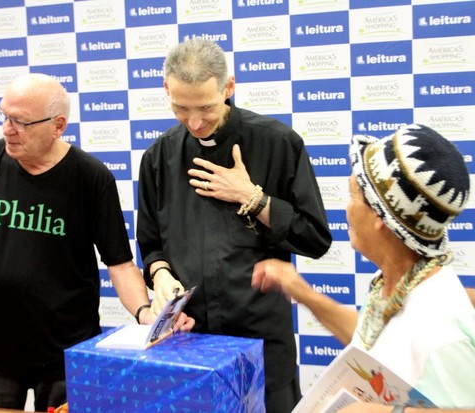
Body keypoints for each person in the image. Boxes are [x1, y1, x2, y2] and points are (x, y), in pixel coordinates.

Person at [0, 73, 193, 411]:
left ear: (58, 125)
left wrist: (144, 313)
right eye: (4, 116)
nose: (7, 129)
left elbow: (119, 264)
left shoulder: (91, 178)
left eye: (20, 122)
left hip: (66, 354)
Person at [136, 38, 332, 412]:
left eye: (206, 108)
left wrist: (254, 199)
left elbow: (316, 238)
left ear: (229, 87)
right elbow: (150, 245)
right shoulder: (157, 157)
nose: (194, 122)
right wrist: (160, 276)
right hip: (188, 344)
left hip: (261, 344)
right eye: (180, 107)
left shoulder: (277, 143)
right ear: (166, 89)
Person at [252, 124, 475, 410]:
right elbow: (377, 348)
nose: (346, 209)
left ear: (381, 219)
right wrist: (303, 293)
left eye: (353, 196)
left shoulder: (440, 335)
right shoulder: (401, 283)